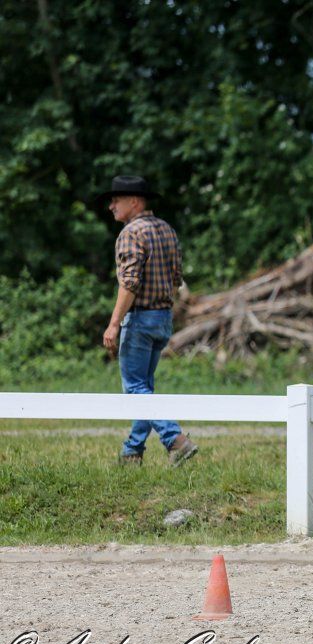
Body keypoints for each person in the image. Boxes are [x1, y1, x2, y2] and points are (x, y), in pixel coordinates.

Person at [96, 175, 199, 467]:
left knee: (135, 388)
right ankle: (132, 451)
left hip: (140, 319)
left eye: (115, 199)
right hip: (163, 319)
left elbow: (129, 282)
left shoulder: (131, 234)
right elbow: (177, 279)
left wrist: (114, 323)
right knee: (144, 387)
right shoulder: (167, 230)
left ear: (135, 201)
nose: (111, 206)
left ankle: (175, 440)